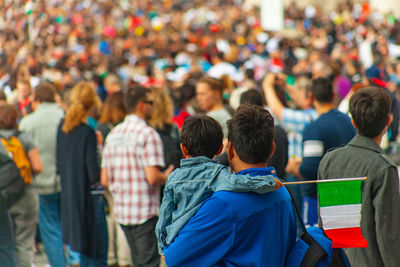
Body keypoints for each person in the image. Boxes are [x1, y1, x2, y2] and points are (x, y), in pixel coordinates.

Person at [164, 105, 297, 266]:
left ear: (230, 150)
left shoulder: (224, 203)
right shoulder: (282, 191)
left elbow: (173, 258)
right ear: (272, 149)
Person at [318, 86, 400, 266]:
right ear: (388, 121)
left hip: (334, 260)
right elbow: (388, 233)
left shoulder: (329, 161)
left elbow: (324, 223)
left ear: (353, 122)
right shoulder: (384, 168)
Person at [101, 85, 174, 267]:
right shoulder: (148, 135)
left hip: (123, 211)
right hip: (145, 211)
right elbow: (152, 177)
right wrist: (166, 176)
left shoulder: (113, 134)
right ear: (141, 105)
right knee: (148, 261)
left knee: (138, 260)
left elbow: (105, 180)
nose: (153, 107)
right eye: (150, 103)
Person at [287, 77, 356, 226]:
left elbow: (310, 169)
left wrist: (293, 167)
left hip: (319, 200)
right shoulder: (348, 122)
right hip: (350, 196)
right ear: (333, 96)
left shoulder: (314, 128)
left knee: (317, 245)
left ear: (311, 97)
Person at [56, 82, 108, 266]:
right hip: (90, 199)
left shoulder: (62, 129)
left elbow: (58, 165)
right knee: (97, 255)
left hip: (71, 196)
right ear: (91, 104)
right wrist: (100, 149)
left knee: (82, 253)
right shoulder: (87, 133)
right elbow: (94, 174)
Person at [18, 82, 67, 266]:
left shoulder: (28, 123)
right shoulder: (65, 117)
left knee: (51, 230)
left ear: (37, 100)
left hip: (40, 183)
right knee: (70, 227)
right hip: (66, 181)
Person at [0, 103, 42, 267]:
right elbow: (38, 166)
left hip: (3, 196)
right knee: (24, 243)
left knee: (5, 243)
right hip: (26, 194)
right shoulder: (23, 137)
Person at [240, 89, 289, 179]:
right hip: (278, 182)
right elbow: (284, 161)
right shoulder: (278, 131)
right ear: (263, 106)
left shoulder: (241, 132)